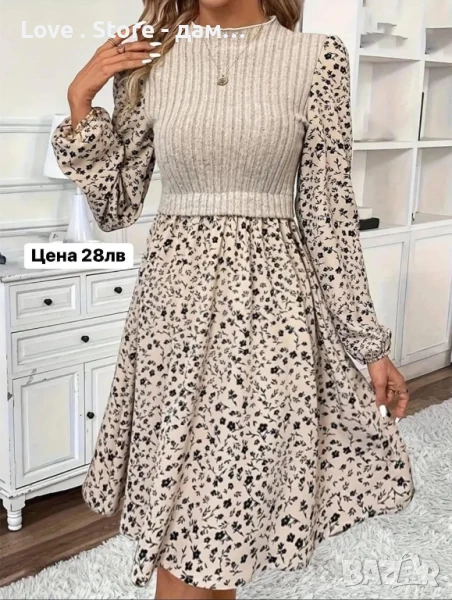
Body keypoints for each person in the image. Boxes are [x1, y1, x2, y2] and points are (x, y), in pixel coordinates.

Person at [51, 1, 415, 598]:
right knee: (186, 521)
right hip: (174, 321)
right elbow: (116, 207)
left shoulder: (316, 58)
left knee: (227, 513)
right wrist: (80, 104)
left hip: (273, 319)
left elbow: (328, 216)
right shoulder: (149, 61)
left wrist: (369, 345)